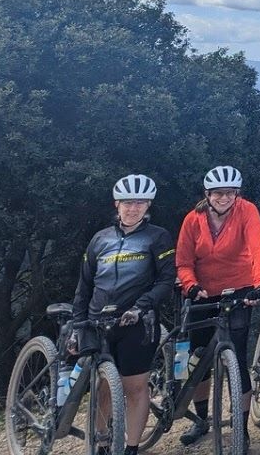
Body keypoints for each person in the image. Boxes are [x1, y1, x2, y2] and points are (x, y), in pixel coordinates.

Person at [71, 175, 176, 455]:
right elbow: (85, 284)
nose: (133, 208)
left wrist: (141, 307)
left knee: (135, 388)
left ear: (148, 205)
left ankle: (130, 448)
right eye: (128, 202)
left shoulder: (158, 236)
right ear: (117, 204)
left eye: (140, 202)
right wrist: (77, 323)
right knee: (103, 387)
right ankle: (103, 440)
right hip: (97, 321)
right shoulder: (100, 239)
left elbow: (166, 281)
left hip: (137, 323)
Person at [175, 166, 260, 453]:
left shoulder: (247, 211)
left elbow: (258, 249)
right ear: (208, 194)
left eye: (230, 193)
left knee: (238, 358)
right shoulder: (193, 219)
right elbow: (183, 261)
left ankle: (241, 431)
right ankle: (201, 419)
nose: (224, 198)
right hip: (202, 291)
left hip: (240, 289)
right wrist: (190, 286)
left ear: (237, 194)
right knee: (198, 355)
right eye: (218, 193)